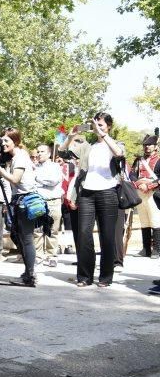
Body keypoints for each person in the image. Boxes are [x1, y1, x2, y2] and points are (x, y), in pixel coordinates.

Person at [68, 114, 125, 288]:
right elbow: (64, 151)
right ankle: (85, 276)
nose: (96, 128)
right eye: (94, 125)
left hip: (108, 193)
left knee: (107, 236)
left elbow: (119, 154)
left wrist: (103, 135)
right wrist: (71, 136)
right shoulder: (88, 146)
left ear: (108, 126)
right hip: (87, 193)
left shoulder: (116, 144)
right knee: (84, 234)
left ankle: (106, 277)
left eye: (100, 125)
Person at [0, 127, 40, 287]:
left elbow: (15, 179)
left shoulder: (20, 157)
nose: (3, 143)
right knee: (18, 236)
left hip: (26, 200)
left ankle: (30, 275)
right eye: (2, 140)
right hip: (19, 200)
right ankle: (28, 272)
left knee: (27, 239)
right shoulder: (15, 156)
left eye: (6, 140)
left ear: (15, 141)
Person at [33, 144, 64, 267]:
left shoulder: (55, 166)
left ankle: (51, 255)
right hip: (38, 202)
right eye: (38, 151)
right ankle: (38, 255)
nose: (39, 154)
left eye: (42, 151)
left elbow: (53, 181)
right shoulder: (34, 167)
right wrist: (39, 179)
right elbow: (31, 181)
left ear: (49, 154)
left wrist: (37, 179)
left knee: (52, 230)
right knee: (37, 230)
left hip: (53, 201)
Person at [132, 131, 160, 258]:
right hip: (140, 192)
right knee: (144, 220)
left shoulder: (159, 160)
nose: (147, 147)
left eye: (150, 145)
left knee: (155, 220)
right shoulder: (138, 160)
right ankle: (146, 249)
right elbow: (132, 175)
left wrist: (148, 186)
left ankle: (157, 250)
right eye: (145, 145)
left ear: (155, 146)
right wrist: (138, 185)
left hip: (154, 193)